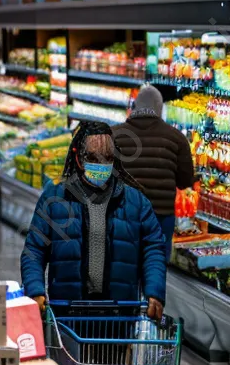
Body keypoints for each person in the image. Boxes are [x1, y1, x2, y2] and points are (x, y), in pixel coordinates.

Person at [21, 120, 167, 318]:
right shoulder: (55, 200)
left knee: (112, 350)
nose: (100, 165)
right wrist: (35, 290)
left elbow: (153, 248)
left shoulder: (136, 202)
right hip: (68, 314)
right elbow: (34, 250)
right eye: (92, 158)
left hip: (119, 315)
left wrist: (155, 291)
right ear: (78, 158)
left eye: (106, 158)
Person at [114, 84, 195, 255]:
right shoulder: (177, 138)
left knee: (123, 263)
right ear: (160, 109)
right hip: (161, 216)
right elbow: (185, 181)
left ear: (134, 107)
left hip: (123, 214)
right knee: (155, 266)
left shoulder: (114, 134)